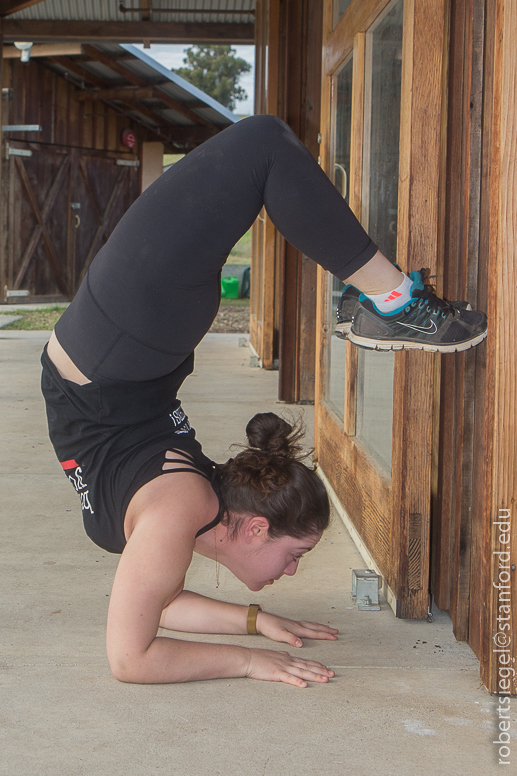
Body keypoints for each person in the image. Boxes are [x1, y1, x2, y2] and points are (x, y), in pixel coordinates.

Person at [42, 115, 486, 688]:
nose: (293, 569)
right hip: (127, 345)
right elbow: (137, 645)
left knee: (261, 148)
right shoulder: (185, 512)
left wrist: (253, 627)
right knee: (260, 148)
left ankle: (390, 299)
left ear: (253, 529)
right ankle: (389, 297)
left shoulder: (180, 515)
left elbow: (150, 620)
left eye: (295, 555)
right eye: (297, 553)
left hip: (123, 343)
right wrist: (252, 651)